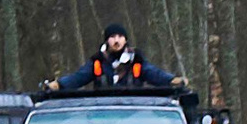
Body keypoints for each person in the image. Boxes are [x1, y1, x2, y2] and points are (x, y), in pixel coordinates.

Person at [46, 24, 183, 92]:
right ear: (107, 40)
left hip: (134, 112)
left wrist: (171, 81)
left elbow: (154, 74)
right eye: (112, 37)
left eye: (120, 37)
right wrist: (60, 85)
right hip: (102, 114)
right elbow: (78, 78)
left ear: (125, 40)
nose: (116, 41)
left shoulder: (136, 61)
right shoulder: (98, 62)